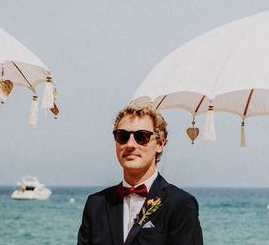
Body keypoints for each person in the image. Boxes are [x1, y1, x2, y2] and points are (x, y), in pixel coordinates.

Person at [78, 104, 203, 245]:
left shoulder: (180, 204)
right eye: (122, 136)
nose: (130, 145)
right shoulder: (95, 204)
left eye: (141, 136)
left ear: (160, 144)